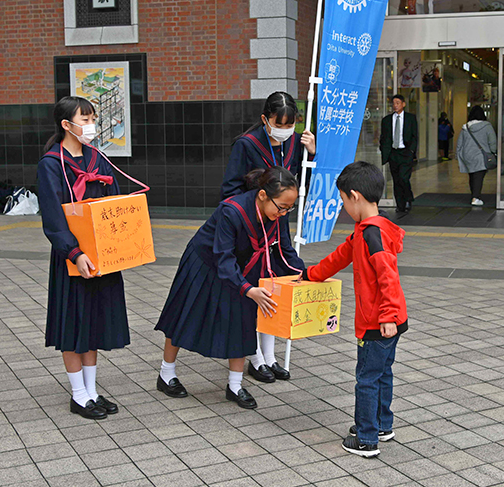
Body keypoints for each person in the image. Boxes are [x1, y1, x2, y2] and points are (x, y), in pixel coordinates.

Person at [155, 166, 304, 409]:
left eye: (290, 208)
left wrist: (304, 275)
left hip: (244, 266)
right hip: (205, 262)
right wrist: (247, 288)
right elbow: (223, 257)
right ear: (263, 195)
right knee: (184, 316)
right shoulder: (231, 211)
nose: (285, 212)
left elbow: (285, 251)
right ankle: (166, 374)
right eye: (282, 207)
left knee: (242, 321)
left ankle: (235, 385)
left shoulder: (278, 214)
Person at [300, 161, 407, 458]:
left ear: (355, 196)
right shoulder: (369, 229)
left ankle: (366, 438)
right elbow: (339, 257)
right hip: (391, 320)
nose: (344, 207)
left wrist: (386, 317)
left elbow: (388, 276)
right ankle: (381, 425)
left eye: (344, 200)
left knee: (367, 378)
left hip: (378, 322)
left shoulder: (371, 235)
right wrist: (311, 275)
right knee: (382, 373)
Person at [37, 96, 127, 421]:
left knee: (94, 322)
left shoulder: (98, 159)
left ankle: (92, 391)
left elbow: (114, 202)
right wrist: (75, 254)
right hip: (73, 258)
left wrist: (120, 243)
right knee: (73, 323)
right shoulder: (52, 164)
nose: (91, 126)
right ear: (66, 125)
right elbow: (53, 218)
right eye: (85, 119)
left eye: (93, 119)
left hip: (101, 256)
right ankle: (78, 395)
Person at [221, 91, 315, 383]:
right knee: (254, 289)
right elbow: (230, 190)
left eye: (291, 124)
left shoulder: (296, 145)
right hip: (250, 229)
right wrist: (256, 208)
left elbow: (301, 184)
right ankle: (255, 357)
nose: (285, 130)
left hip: (278, 224)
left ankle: (270, 355)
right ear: (265, 119)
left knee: (274, 285)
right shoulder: (247, 145)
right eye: (280, 123)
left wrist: (312, 154)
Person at [380, 94, 418, 213]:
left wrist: (411, 151)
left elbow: (414, 136)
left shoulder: (410, 118)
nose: (395, 106)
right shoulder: (386, 120)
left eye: (398, 103)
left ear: (403, 104)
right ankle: (400, 204)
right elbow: (383, 137)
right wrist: (384, 150)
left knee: (403, 178)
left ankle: (408, 199)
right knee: (396, 180)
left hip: (405, 153)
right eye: (394, 103)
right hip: (393, 153)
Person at [456, 105, 497, 206]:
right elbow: (492, 141)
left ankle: (474, 195)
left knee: (472, 175)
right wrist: (493, 152)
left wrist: (459, 156)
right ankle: (475, 198)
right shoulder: (487, 126)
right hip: (480, 155)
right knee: (479, 176)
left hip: (467, 155)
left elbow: (459, 143)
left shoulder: (465, 127)